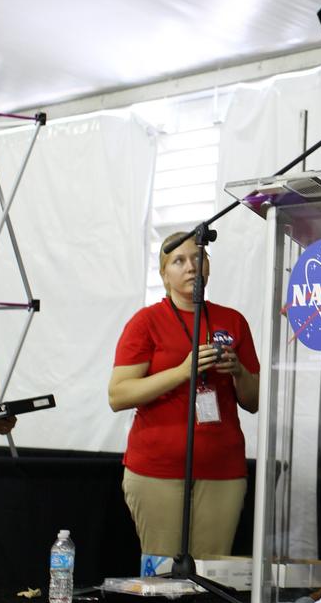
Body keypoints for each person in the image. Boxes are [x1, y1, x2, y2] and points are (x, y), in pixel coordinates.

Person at [108, 232, 260, 561]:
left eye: (198, 258)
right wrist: (181, 372)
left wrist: (239, 372)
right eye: (179, 261)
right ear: (164, 275)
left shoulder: (232, 321)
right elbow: (118, 395)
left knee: (210, 574)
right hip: (157, 470)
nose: (191, 267)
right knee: (163, 576)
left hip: (222, 470)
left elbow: (253, 401)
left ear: (208, 266)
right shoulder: (146, 322)